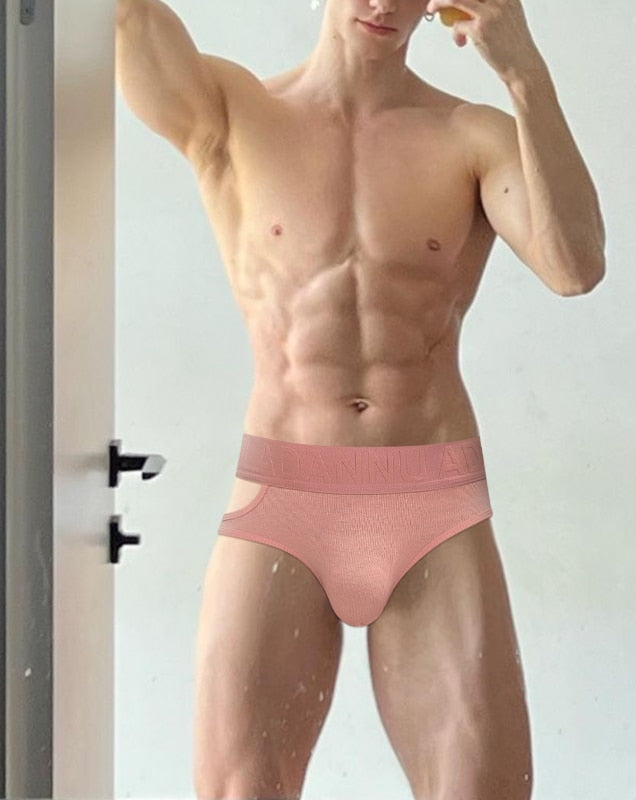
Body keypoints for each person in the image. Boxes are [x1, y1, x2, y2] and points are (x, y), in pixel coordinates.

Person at [116, 0, 605, 797]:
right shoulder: (233, 111)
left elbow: (574, 266)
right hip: (282, 495)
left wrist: (524, 72)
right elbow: (126, 18)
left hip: (431, 505)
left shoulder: (470, 136)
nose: (383, 4)